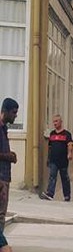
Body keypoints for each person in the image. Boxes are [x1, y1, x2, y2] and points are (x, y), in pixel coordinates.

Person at [40, 114, 73, 201]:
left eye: (56, 121)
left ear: (61, 122)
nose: (54, 123)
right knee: (52, 176)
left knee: (64, 178)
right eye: (53, 121)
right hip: (53, 160)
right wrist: (48, 158)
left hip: (63, 160)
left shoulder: (67, 134)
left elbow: (70, 144)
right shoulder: (52, 134)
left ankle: (67, 195)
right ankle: (50, 194)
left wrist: (69, 153)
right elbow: (50, 147)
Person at [0, 98, 19, 231]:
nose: (15, 115)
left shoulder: (4, 128)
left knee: (2, 214)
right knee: (0, 215)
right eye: (13, 112)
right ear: (4, 111)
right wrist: (8, 157)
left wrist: (9, 154)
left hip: (5, 175)